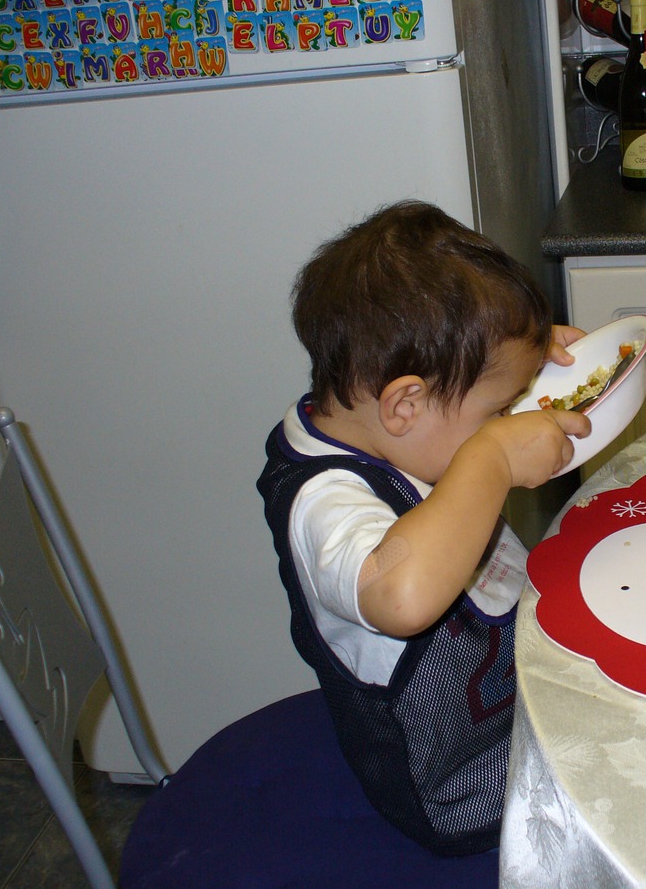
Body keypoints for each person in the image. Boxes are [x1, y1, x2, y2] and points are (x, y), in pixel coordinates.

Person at [255, 201, 589, 855]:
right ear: (405, 403)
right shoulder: (322, 504)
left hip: (516, 688)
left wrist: (514, 359)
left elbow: (453, 411)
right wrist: (491, 458)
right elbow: (403, 598)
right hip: (463, 781)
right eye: (498, 408)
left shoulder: (392, 420)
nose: (509, 419)